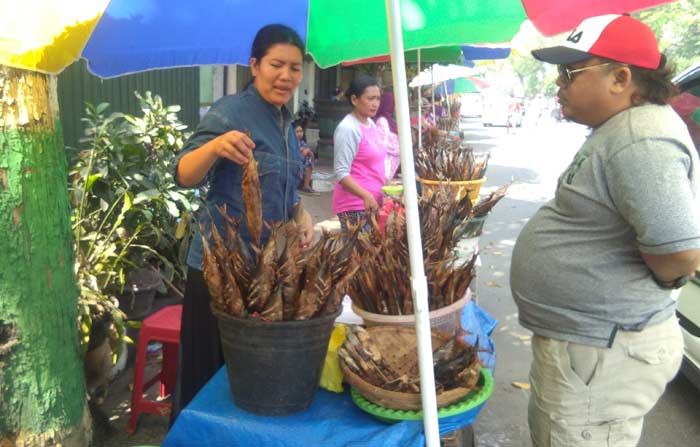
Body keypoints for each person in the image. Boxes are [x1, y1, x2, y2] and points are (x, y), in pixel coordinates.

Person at [509, 14, 700, 446]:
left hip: (602, 352)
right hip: (591, 347)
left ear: (620, 78)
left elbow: (679, 255)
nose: (559, 84)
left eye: (569, 73)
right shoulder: (624, 130)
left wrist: (665, 278)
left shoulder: (641, 139)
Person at [171, 23, 313, 422]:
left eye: (295, 67)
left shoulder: (286, 123)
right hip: (218, 270)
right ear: (254, 65)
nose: (286, 76)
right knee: (206, 375)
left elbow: (283, 191)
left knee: (246, 378)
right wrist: (216, 146)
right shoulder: (230, 112)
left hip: (264, 270)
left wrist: (301, 215)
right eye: (276, 65)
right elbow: (183, 173)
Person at [332, 75, 386, 232]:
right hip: (355, 207)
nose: (375, 104)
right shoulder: (348, 128)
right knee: (360, 255)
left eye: (378, 99)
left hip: (373, 203)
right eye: (370, 98)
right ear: (355, 100)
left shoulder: (370, 123)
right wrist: (366, 195)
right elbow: (341, 173)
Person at [374, 87, 401, 181]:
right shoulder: (382, 121)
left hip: (389, 167)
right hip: (384, 168)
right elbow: (381, 145)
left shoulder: (390, 120)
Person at [294, 120, 319, 195]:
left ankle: (306, 185)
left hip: (302, 163)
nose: (299, 134)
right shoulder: (292, 142)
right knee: (308, 160)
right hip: (295, 162)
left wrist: (309, 152)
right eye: (297, 132)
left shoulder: (302, 142)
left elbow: (308, 153)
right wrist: (305, 151)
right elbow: (299, 153)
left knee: (310, 160)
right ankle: (305, 185)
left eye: (301, 131)